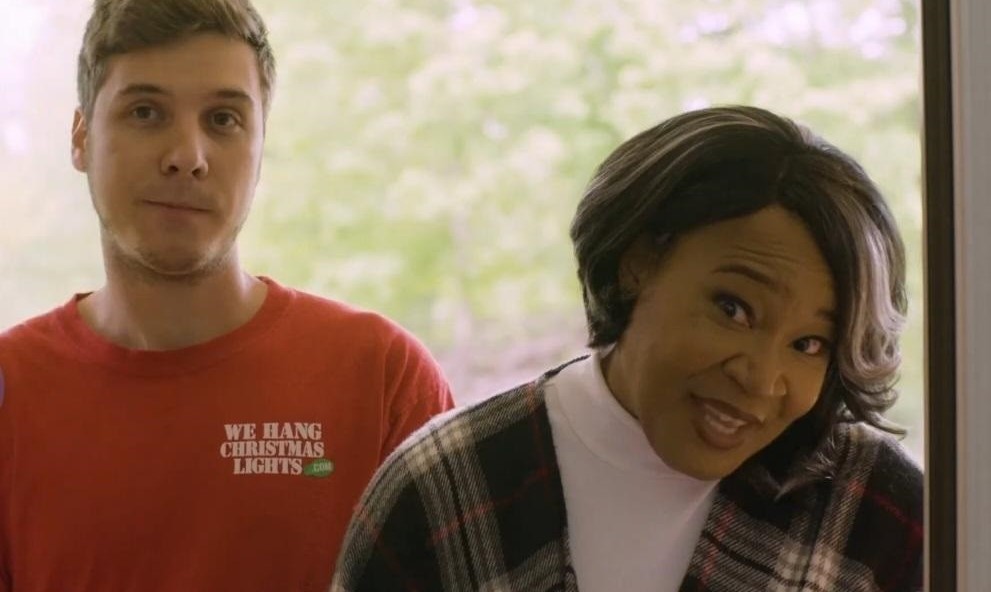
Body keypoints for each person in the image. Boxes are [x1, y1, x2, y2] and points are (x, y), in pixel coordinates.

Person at [331, 106, 923, 592]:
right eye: (733, 309)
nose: (762, 378)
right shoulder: (448, 485)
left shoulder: (875, 510)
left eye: (809, 343)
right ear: (638, 262)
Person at [0, 1, 454, 590]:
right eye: (145, 112)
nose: (186, 157)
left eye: (223, 120)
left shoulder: (383, 378)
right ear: (82, 136)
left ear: (260, 148)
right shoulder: (12, 388)